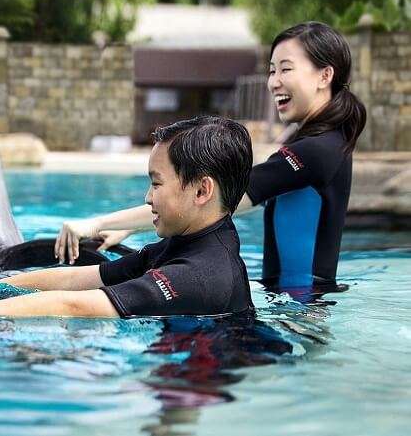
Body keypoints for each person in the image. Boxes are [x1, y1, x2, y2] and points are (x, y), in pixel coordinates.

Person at [56, 21, 366, 291]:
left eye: (286, 69)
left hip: (301, 309)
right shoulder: (326, 141)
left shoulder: (316, 150)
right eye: (272, 70)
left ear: (325, 75)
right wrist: (134, 224)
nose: (274, 81)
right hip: (297, 299)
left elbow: (220, 198)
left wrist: (96, 223)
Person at [0, 116, 254, 319]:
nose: (147, 197)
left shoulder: (199, 274)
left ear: (202, 191)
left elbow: (73, 304)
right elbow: (82, 277)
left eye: (156, 183)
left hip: (202, 376)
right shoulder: (186, 244)